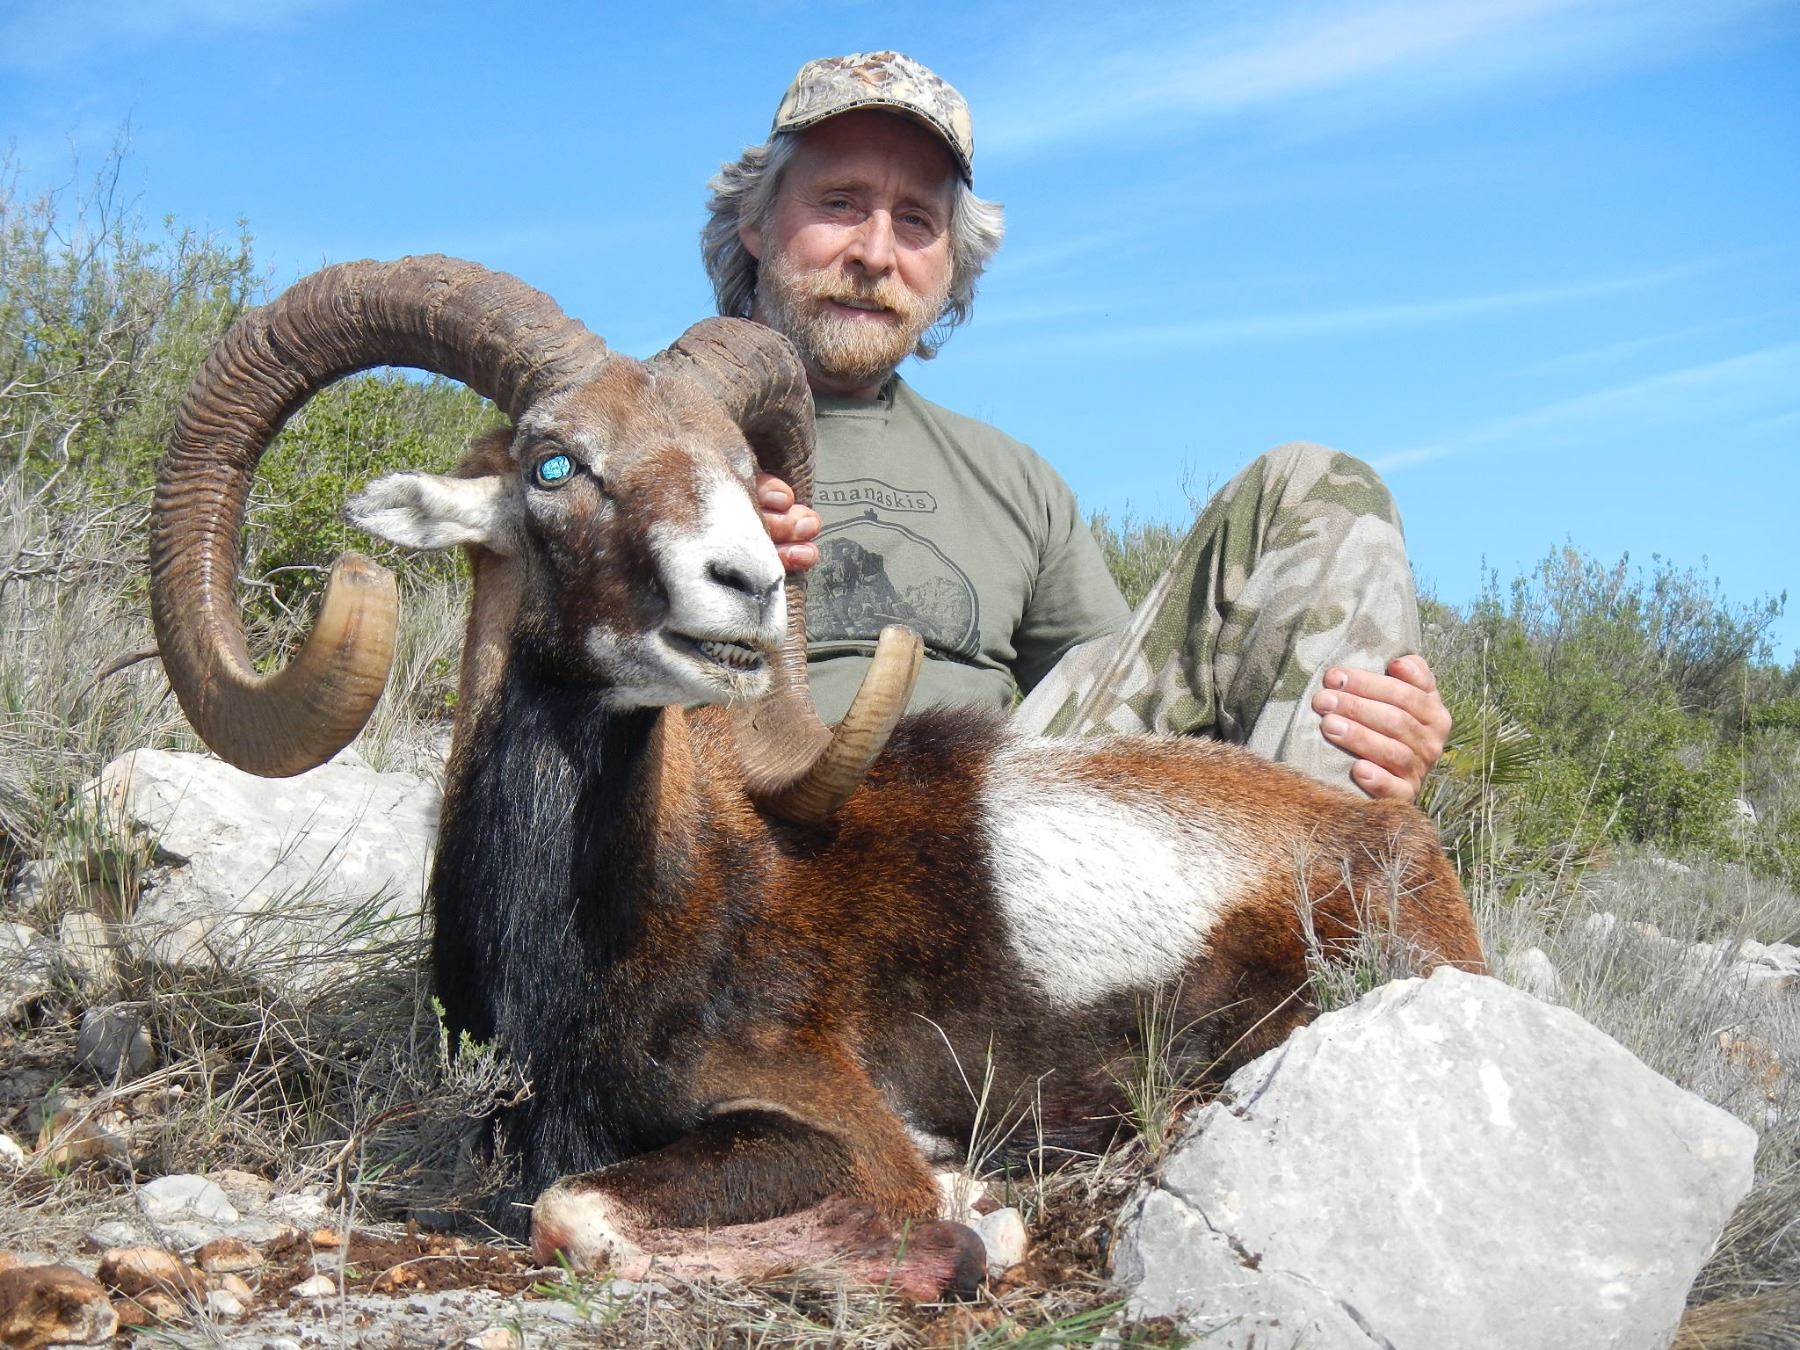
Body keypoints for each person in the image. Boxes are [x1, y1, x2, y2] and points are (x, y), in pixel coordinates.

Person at [701, 51, 1450, 802]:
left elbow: (1142, 718)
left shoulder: (1010, 477)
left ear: (952, 261)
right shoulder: (660, 429)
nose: (875, 253)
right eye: (839, 203)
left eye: (916, 221)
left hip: (984, 829)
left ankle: (1341, 856)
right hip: (735, 827)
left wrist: (1370, 728)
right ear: (756, 221)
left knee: (1318, 484)